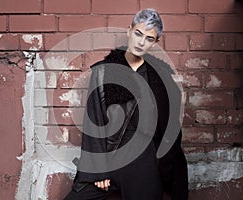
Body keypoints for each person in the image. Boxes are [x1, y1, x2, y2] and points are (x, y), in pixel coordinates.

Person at [64, 8, 188, 200]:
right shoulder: (103, 72)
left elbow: (171, 128)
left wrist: (161, 164)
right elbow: (93, 122)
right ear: (128, 30)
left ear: (155, 42)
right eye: (138, 33)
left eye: (149, 38)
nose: (141, 42)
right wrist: (98, 170)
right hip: (110, 156)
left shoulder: (161, 78)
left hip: (144, 160)